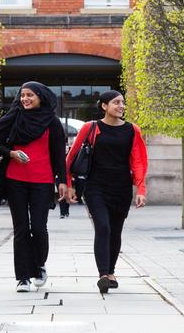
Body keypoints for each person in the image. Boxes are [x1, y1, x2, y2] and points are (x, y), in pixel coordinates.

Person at [65, 90, 148, 294]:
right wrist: (68, 184)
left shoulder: (132, 130)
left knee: (115, 230)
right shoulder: (90, 127)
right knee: (103, 227)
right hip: (95, 187)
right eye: (116, 102)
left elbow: (138, 161)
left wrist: (141, 188)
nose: (121, 106)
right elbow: (72, 157)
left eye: (122, 102)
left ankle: (111, 272)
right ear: (104, 106)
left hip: (121, 188)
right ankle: (103, 274)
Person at [0, 82, 67, 293]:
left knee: (39, 228)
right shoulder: (13, 117)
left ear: (40, 97)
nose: (25, 99)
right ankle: (23, 277)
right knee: (21, 229)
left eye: (30, 95)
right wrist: (11, 153)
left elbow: (58, 153)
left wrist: (62, 181)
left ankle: (39, 265)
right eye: (22, 95)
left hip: (42, 181)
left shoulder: (52, 121)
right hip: (15, 179)